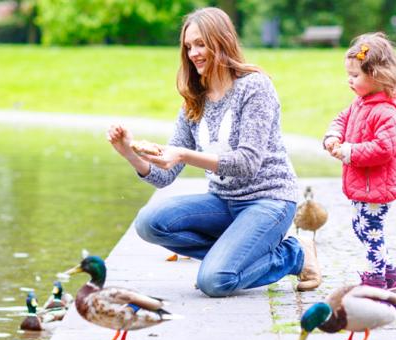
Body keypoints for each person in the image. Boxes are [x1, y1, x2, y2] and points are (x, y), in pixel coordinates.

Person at [106, 7, 321, 297]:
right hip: (222, 202)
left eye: (200, 44)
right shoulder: (194, 100)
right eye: (188, 47)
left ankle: (294, 254)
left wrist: (183, 154)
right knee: (149, 223)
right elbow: (164, 176)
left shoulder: (254, 87)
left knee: (214, 281)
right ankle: (229, 256)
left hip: (269, 201)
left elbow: (247, 163)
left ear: (222, 41)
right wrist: (129, 153)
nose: (193, 53)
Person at [322, 33, 396, 292]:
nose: (349, 80)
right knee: (360, 227)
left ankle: (375, 279)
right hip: (362, 183)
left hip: (377, 185)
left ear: (376, 75)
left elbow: (384, 148)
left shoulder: (386, 111)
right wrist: (333, 135)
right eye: (349, 75)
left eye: (355, 75)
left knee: (372, 230)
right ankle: (390, 273)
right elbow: (342, 118)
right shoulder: (361, 103)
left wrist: (350, 152)